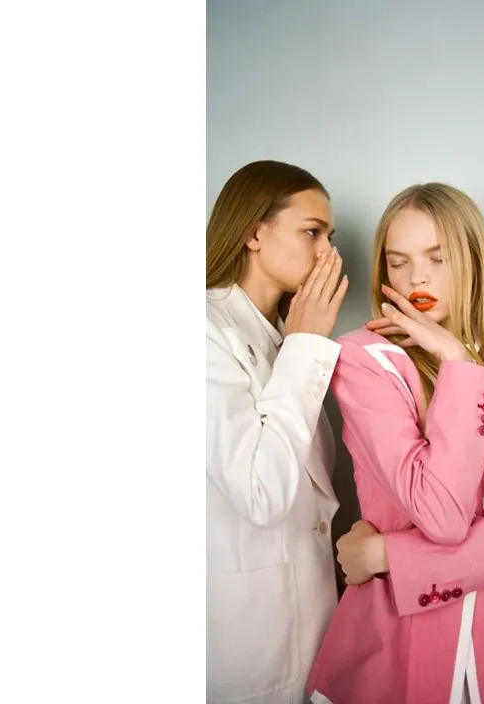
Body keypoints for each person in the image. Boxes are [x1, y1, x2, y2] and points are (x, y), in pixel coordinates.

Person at [306, 183, 484, 704]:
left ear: (472, 261)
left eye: (436, 258)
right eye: (398, 262)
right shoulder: (364, 361)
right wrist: (460, 368)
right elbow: (441, 515)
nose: (416, 277)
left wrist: (387, 555)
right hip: (398, 647)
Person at [206, 160, 349, 704]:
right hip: (247, 634)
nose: (327, 254)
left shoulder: (281, 337)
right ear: (253, 232)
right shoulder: (202, 329)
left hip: (309, 614)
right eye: (311, 232)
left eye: (330, 236)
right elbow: (261, 491)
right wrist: (307, 345)